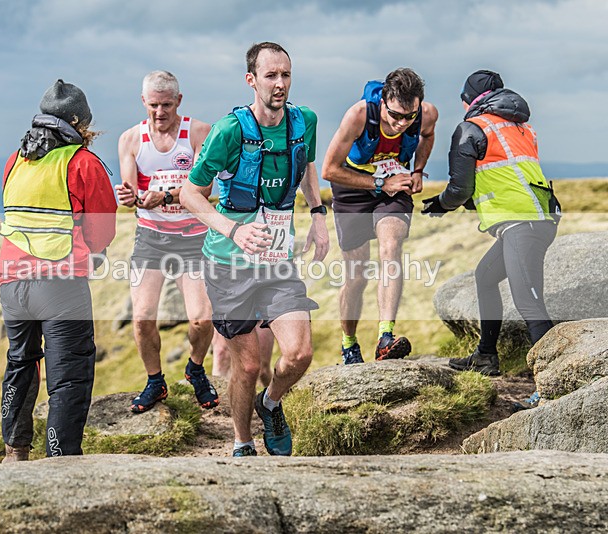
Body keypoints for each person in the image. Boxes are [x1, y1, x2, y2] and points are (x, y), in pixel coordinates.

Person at [181, 42, 330, 457]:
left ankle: (272, 402)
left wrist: (318, 213)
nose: (280, 83)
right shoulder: (229, 131)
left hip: (278, 261)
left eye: (285, 75)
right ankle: (242, 442)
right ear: (252, 79)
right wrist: (233, 230)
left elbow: (308, 166)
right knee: (246, 366)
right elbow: (190, 193)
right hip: (229, 264)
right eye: (271, 75)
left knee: (298, 353)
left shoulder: (305, 121)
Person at [0, 79, 117, 461]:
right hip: (59, 284)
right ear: (79, 122)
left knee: (20, 363)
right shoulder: (82, 163)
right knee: (69, 375)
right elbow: (102, 232)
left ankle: (14, 451)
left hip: (12, 282)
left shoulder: (15, 160)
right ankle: (59, 457)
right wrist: (91, 252)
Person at [421, 70, 559, 389]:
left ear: (469, 99)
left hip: (521, 223)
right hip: (537, 217)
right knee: (485, 276)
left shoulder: (472, 128)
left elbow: (458, 188)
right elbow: (507, 177)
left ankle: (555, 382)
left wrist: (441, 204)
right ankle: (485, 356)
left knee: (528, 303)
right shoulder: (521, 127)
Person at [114, 71, 219, 414]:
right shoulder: (131, 139)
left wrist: (168, 195)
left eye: (167, 105)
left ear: (179, 101)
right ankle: (155, 381)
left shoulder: (199, 134)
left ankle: (195, 368)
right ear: (143, 102)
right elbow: (132, 194)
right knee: (143, 318)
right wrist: (131, 196)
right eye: (153, 105)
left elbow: (204, 189)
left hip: (193, 238)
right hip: (151, 239)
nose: (160, 113)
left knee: (202, 319)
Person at [322, 68, 438, 364]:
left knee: (391, 247)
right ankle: (349, 343)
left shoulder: (426, 114)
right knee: (356, 276)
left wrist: (417, 170)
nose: (401, 124)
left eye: (408, 117)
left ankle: (385, 337)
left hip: (394, 182)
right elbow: (329, 170)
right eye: (395, 115)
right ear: (384, 101)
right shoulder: (359, 115)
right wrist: (378, 183)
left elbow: (427, 134)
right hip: (352, 185)